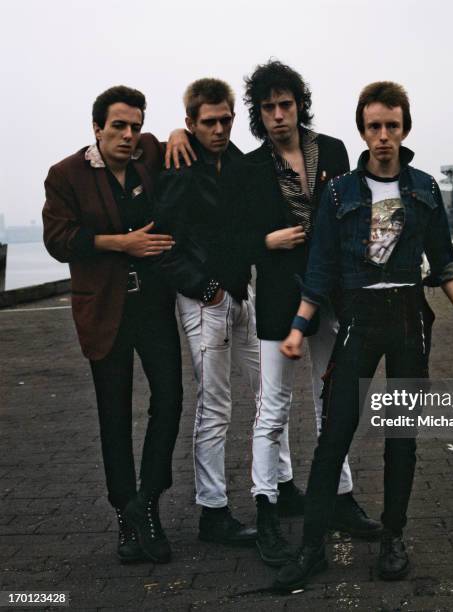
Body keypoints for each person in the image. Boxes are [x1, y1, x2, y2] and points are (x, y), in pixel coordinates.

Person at [274, 81, 453, 590]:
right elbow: (321, 266)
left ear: (405, 129)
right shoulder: (339, 193)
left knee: (402, 438)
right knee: (335, 434)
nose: (383, 136)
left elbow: (444, 264)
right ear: (362, 130)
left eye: (392, 126)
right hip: (359, 319)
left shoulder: (424, 188)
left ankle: (392, 538)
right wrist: (298, 328)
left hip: (409, 320)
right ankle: (312, 547)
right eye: (374, 126)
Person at [222, 60, 382, 567]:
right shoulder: (248, 168)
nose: (277, 115)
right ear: (258, 113)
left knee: (329, 400)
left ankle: (339, 498)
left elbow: (354, 215)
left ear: (299, 105)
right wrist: (264, 240)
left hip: (332, 295)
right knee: (273, 410)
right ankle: (266, 510)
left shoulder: (332, 151)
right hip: (276, 300)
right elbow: (228, 240)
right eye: (267, 107)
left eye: (285, 104)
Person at [42, 86, 183, 564]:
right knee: (114, 414)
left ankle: (149, 501)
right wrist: (121, 243)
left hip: (154, 306)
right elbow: (59, 239)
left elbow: (177, 143)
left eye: (136, 125)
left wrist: (179, 128)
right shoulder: (66, 174)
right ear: (97, 127)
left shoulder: (148, 155)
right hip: (105, 309)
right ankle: (127, 517)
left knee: (170, 397)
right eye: (118, 125)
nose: (128, 135)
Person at [151, 78, 261, 546]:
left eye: (226, 119)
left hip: (244, 295)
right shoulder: (178, 167)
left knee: (268, 395)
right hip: (204, 300)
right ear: (191, 123)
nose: (219, 128)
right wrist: (207, 289)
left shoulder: (240, 165)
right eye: (208, 121)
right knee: (214, 406)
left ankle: (279, 487)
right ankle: (212, 512)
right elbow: (163, 246)